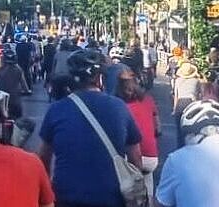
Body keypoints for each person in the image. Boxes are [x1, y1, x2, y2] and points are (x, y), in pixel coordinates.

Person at [37, 49, 143, 207]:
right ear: (100, 78)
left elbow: (43, 158)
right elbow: (136, 158)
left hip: (66, 197)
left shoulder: (57, 109)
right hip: (111, 197)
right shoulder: (119, 107)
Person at [116, 70, 160, 201]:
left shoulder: (118, 104)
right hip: (152, 157)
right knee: (148, 181)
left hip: (132, 158)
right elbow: (158, 127)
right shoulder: (148, 99)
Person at [0, 44, 29, 120]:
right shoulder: (18, 70)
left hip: (2, 102)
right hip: (15, 102)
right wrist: (27, 91)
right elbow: (25, 86)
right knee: (18, 122)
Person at [170, 61, 203, 149]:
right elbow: (200, 95)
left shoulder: (177, 81)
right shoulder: (196, 81)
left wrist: (174, 109)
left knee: (179, 132)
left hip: (180, 104)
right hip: (192, 103)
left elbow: (176, 96)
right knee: (193, 131)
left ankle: (180, 150)